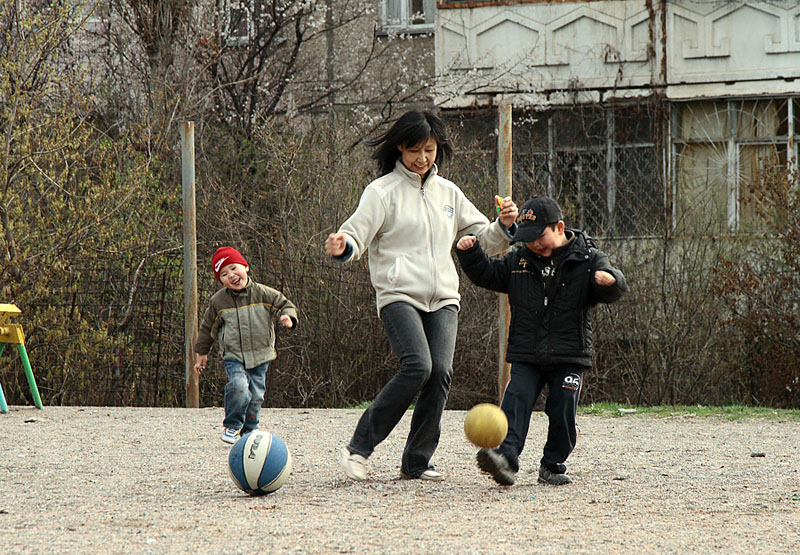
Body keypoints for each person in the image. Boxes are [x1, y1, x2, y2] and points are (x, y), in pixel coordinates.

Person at [325, 109, 518, 481]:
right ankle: (358, 449)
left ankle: (416, 461)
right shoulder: (381, 192)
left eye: (429, 150)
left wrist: (504, 225)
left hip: (444, 297)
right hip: (399, 294)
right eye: (415, 150)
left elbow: (487, 241)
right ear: (400, 147)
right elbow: (356, 234)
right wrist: (342, 245)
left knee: (440, 372)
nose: (422, 158)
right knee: (418, 366)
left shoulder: (449, 193)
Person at [455, 196, 627, 485]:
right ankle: (505, 459)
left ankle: (552, 463)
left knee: (562, 410)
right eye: (528, 239)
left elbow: (615, 285)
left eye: (539, 237)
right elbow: (488, 274)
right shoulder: (518, 260)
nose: (534, 244)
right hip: (527, 353)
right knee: (516, 401)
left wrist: (608, 280)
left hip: (570, 354)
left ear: (559, 227)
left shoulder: (587, 258)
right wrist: (471, 254)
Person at [194, 246, 298, 444]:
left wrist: (287, 317)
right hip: (234, 356)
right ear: (221, 280)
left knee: (256, 396)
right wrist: (202, 353)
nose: (231, 275)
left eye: (234, 268)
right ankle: (232, 426)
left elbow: (286, 304)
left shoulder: (263, 294)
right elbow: (208, 328)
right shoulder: (219, 301)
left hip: (261, 355)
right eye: (224, 274)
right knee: (239, 387)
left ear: (246, 267)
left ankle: (250, 431)